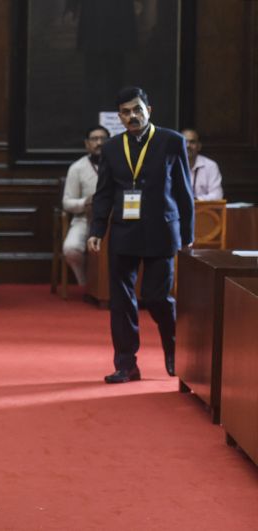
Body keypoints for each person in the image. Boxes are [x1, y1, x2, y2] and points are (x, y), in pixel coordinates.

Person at [87, 86, 194, 384]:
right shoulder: (110, 148)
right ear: (119, 117)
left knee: (156, 297)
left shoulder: (171, 141)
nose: (132, 116)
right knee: (120, 302)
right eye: (125, 112)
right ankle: (126, 365)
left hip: (161, 230)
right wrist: (97, 229)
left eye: (137, 109)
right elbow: (104, 193)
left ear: (149, 109)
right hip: (123, 232)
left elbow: (184, 190)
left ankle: (174, 350)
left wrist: (188, 233)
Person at [62, 126, 110, 286]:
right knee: (71, 249)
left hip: (114, 219)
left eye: (103, 139)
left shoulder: (120, 164)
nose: (99, 143)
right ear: (87, 144)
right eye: (94, 139)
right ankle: (86, 283)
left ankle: (110, 287)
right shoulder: (77, 168)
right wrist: (85, 202)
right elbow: (67, 202)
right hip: (84, 219)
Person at [181, 129, 224, 201]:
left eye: (192, 142)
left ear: (199, 146)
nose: (188, 145)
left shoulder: (210, 166)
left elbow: (217, 195)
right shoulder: (170, 165)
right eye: (184, 142)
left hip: (204, 210)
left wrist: (196, 200)